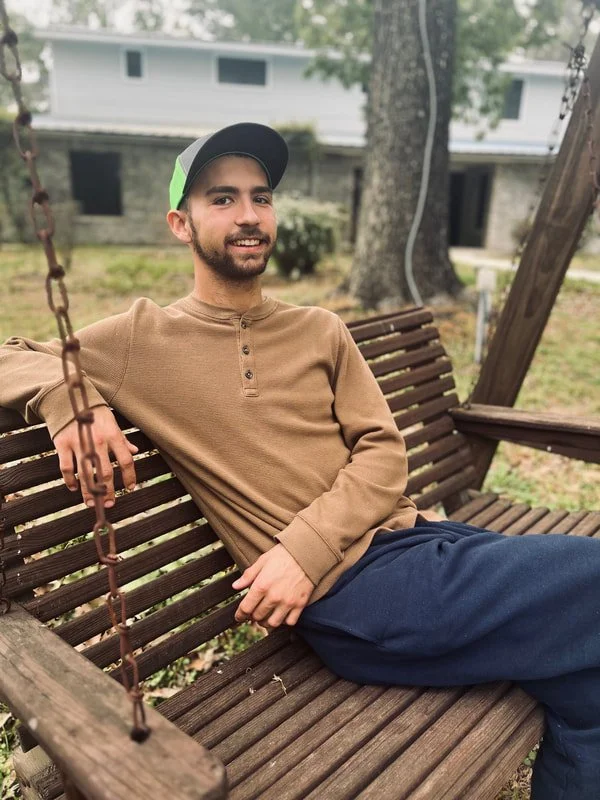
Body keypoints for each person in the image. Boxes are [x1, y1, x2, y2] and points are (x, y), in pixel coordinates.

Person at [0, 122, 598, 800]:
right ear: (180, 224)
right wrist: (71, 400)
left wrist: (306, 546)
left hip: (411, 547)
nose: (249, 215)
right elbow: (13, 354)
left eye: (261, 197)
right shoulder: (141, 339)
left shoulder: (319, 329)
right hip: (354, 596)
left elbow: (383, 452)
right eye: (222, 198)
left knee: (588, 685)